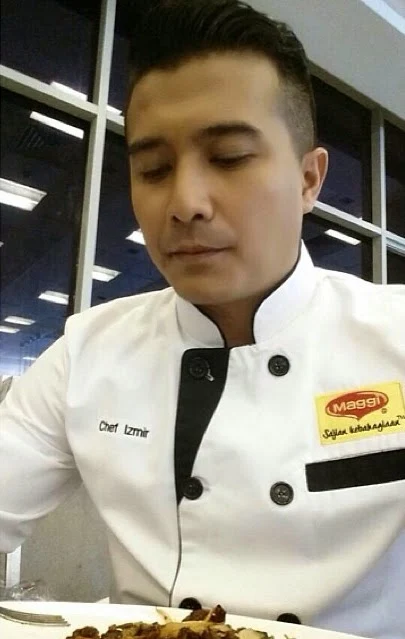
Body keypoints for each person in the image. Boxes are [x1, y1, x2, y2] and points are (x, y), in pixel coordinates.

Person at [0, 0, 404, 636]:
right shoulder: (88, 353)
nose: (184, 202)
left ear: (309, 179)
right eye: (153, 169)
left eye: (230, 157)